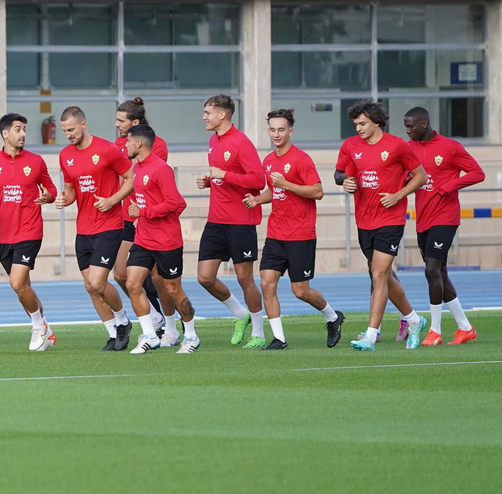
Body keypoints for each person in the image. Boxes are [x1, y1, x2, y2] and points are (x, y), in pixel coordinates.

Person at [244, 110, 344, 350]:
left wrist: (285, 183)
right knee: (267, 283)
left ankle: (333, 317)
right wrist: (258, 200)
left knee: (300, 291)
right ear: (268, 131)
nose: (276, 134)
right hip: (276, 234)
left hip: (301, 234)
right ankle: (279, 339)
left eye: (281, 129)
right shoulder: (268, 161)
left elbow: (317, 192)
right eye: (272, 129)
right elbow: (275, 192)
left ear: (291, 131)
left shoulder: (301, 159)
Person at [335, 99, 428, 351]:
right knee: (382, 276)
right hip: (364, 219)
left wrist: (398, 196)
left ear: (376, 121)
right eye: (355, 124)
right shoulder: (350, 146)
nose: (358, 128)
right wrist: (345, 181)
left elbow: (421, 176)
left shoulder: (397, 146)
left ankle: (370, 334)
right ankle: (414, 320)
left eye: (362, 123)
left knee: (378, 274)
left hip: (391, 219)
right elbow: (339, 174)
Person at [0, 113, 59, 349]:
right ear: (5, 133)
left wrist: (48, 196)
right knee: (23, 289)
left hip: (30, 230)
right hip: (6, 235)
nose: (23, 134)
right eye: (18, 129)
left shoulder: (36, 161)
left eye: (24, 129)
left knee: (17, 283)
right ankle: (47, 330)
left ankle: (38, 328)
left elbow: (51, 189)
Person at [53, 107, 135, 347]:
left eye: (71, 129)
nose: (68, 134)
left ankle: (123, 321)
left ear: (84, 124)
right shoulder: (65, 155)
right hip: (84, 229)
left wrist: (113, 200)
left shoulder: (107, 149)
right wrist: (63, 199)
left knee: (99, 282)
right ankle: (113, 333)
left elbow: (132, 178)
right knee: (90, 287)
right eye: (64, 131)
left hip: (109, 225)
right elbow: (70, 192)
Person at [404, 106, 486, 345]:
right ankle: (465, 328)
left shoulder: (451, 147)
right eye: (405, 126)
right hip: (423, 218)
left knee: (431, 271)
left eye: (410, 126)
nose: (407, 131)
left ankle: (435, 331)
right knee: (440, 273)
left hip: (445, 217)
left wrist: (449, 186)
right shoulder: (409, 148)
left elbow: (477, 173)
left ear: (424, 124)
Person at [195, 94, 268, 347]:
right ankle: (240, 314)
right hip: (215, 220)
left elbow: (259, 181)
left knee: (244, 279)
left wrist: (225, 175)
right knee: (204, 277)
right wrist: (211, 181)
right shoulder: (213, 141)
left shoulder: (241, 142)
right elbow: (225, 178)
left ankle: (258, 332)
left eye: (208, 112)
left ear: (222, 114)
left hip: (240, 222)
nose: (204, 117)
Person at [123, 124, 200, 354]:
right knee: (132, 283)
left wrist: (144, 213)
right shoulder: (136, 169)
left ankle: (192, 336)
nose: (125, 145)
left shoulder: (161, 169)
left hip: (167, 242)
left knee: (173, 290)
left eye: (128, 141)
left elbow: (175, 203)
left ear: (138, 143)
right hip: (143, 239)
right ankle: (149, 335)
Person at [113, 98, 173, 338]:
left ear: (135, 123)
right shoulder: (117, 144)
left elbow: (145, 180)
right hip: (127, 218)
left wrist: (142, 211)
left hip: (150, 220)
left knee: (160, 280)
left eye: (121, 120)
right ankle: (156, 319)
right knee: (120, 274)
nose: (116, 124)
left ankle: (173, 327)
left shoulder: (156, 146)